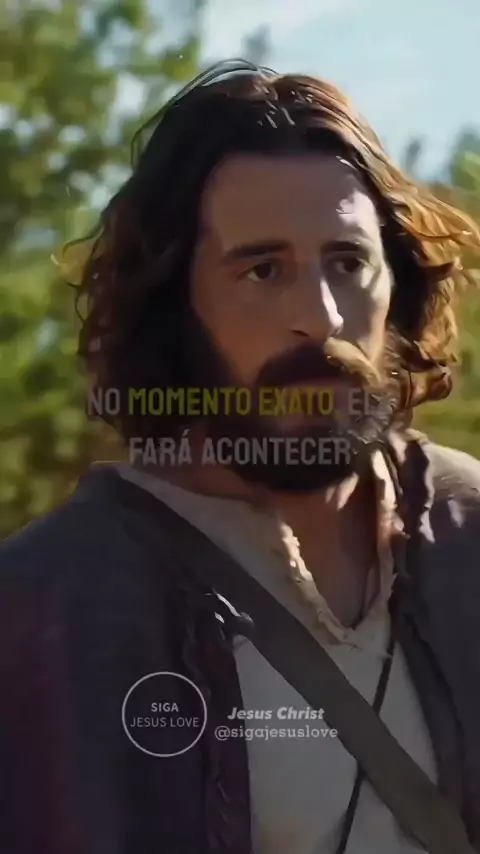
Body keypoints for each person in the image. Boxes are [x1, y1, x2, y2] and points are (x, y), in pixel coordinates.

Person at [1, 59, 480, 854]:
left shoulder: (469, 538)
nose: (320, 318)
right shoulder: (53, 607)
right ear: (174, 305)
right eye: (263, 269)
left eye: (348, 263)